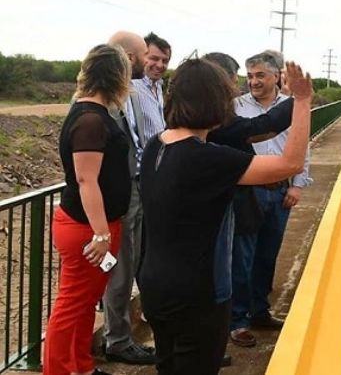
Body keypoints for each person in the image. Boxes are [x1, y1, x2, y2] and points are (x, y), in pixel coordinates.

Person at [138, 57, 312, 375]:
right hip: (197, 295)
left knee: (169, 364)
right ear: (216, 103)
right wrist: (302, 101)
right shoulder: (206, 159)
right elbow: (290, 164)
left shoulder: (155, 146)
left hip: (155, 283)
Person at [43, 44, 132, 375]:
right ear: (116, 77)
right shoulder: (92, 120)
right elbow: (86, 180)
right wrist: (101, 233)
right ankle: (57, 369)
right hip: (88, 229)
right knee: (70, 306)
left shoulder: (90, 113)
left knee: (81, 305)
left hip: (95, 226)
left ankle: (80, 367)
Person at [228, 52, 312, 348]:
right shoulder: (235, 107)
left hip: (279, 191)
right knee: (242, 256)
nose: (253, 82)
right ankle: (238, 321)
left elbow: (302, 145)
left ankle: (260, 311)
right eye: (249, 76)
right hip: (248, 192)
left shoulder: (291, 106)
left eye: (260, 75)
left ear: (277, 76)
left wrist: (298, 185)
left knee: (267, 253)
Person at [102, 31, 157, 365]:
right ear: (127, 56)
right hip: (118, 196)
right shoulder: (101, 99)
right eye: (141, 55)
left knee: (132, 263)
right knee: (120, 270)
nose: (146, 61)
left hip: (137, 189)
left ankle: (121, 336)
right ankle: (117, 340)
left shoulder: (130, 94)